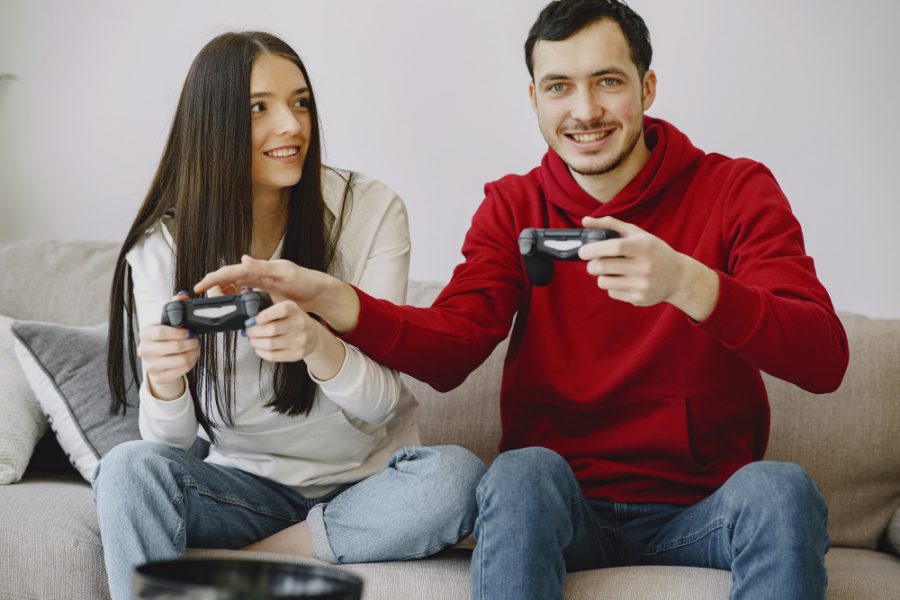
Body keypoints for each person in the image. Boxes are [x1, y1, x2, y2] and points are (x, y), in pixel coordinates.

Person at [196, 3, 849, 599]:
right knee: (518, 473)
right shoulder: (513, 205)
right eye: (560, 87)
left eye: (608, 81)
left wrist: (687, 283)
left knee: (782, 490)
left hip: (703, 509)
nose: (585, 109)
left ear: (646, 88)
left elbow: (824, 360)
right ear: (535, 100)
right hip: (557, 508)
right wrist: (334, 298)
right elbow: (451, 348)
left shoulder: (735, 190)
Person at [93, 31, 485, 600]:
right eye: (260, 108)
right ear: (213, 125)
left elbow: (379, 409)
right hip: (244, 489)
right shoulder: (162, 245)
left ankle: (257, 561)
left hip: (370, 485)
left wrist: (318, 346)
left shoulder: (369, 210)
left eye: (301, 102)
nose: (293, 126)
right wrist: (165, 379)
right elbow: (170, 445)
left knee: (456, 478)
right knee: (127, 470)